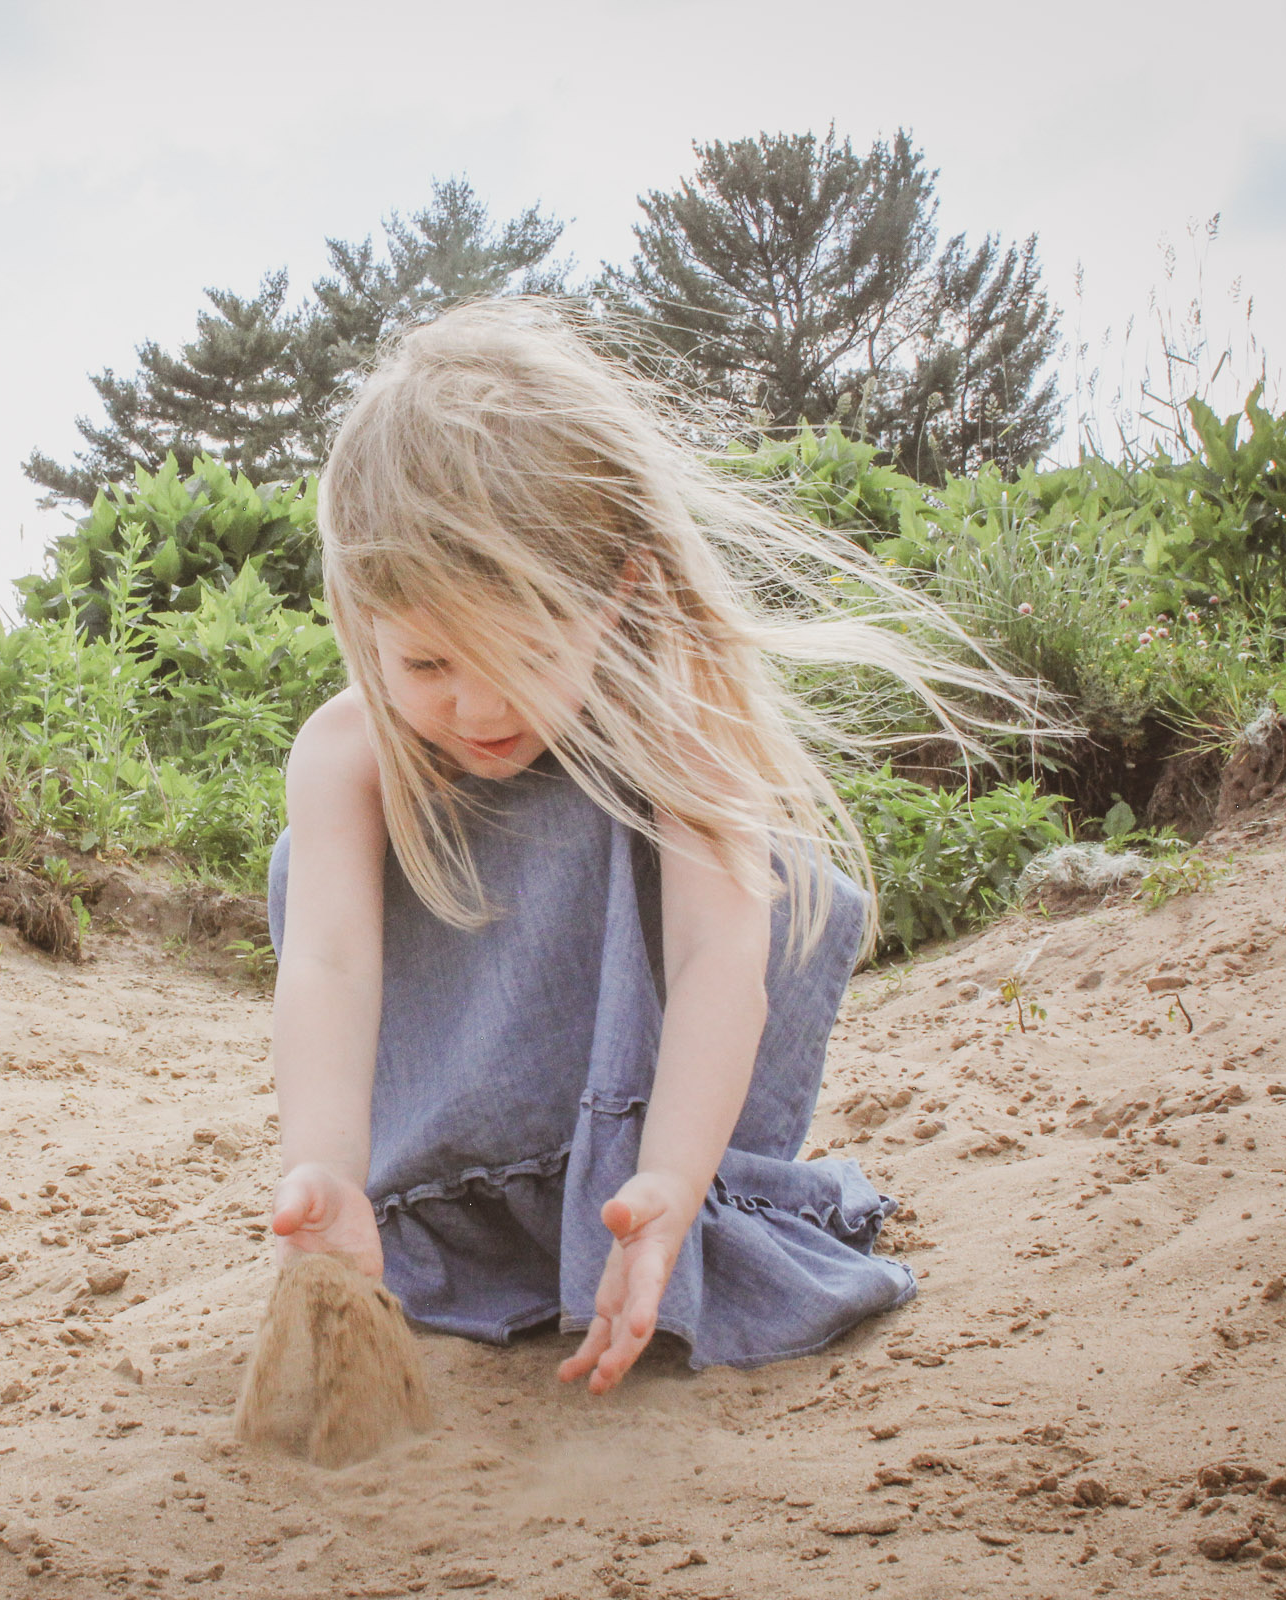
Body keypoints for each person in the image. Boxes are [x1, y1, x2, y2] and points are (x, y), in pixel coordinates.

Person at [264, 298, 1010, 1395]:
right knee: (308, 856)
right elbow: (329, 963)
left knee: (643, 826)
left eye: (526, 651)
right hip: (443, 1154)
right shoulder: (347, 751)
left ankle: (629, 1187)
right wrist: (326, 1166)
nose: (478, 706)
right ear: (359, 614)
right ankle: (459, 1210)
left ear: (617, 591)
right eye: (426, 664)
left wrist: (668, 1178)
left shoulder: (668, 711)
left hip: (651, 1126)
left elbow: (717, 955)